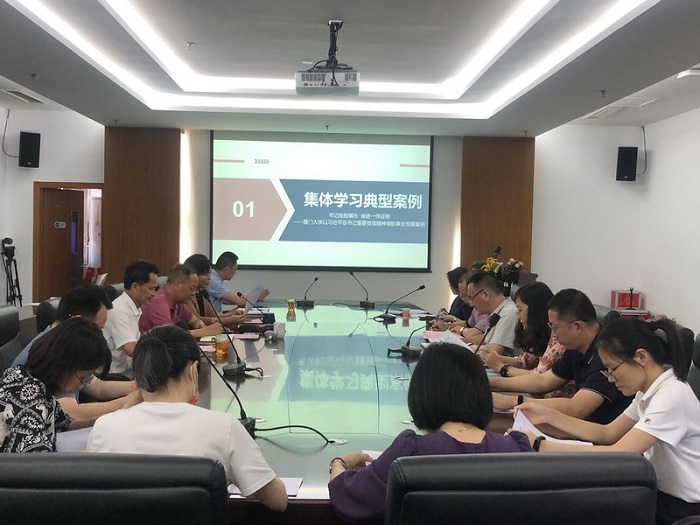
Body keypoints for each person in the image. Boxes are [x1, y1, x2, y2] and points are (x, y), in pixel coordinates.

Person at [516, 317, 700, 525]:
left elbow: (621, 452)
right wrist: (548, 415)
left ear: (641, 357)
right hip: (661, 493)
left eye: (612, 369)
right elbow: (607, 433)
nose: (610, 378)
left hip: (684, 509)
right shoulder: (649, 391)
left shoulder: (671, 396)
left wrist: (540, 445)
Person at [86, 325, 287, 512]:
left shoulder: (105, 428)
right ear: (193, 371)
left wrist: (123, 411)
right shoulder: (223, 428)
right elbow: (278, 501)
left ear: (138, 378)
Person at [327, 343, 533, 524]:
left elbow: (349, 498)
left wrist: (338, 463)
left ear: (423, 394)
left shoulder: (410, 453)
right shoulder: (518, 450)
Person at [491, 289, 632, 424]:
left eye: (555, 327)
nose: (553, 335)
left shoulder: (606, 354)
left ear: (577, 326)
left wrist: (512, 401)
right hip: (583, 425)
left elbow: (577, 408)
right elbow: (543, 381)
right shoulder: (576, 347)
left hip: (598, 429)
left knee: (504, 421)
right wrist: (491, 383)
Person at [11, 284, 138, 419]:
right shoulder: (43, 356)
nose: (99, 336)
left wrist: (138, 387)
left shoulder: (64, 346)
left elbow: (97, 387)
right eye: (97, 329)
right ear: (78, 322)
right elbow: (70, 413)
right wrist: (127, 402)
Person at [0, 317, 113, 453]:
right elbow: (36, 463)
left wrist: (100, 422)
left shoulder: (30, 380)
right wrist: (87, 452)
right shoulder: (29, 401)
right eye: (82, 378)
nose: (80, 386)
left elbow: (62, 424)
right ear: (65, 365)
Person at [479, 282, 575, 398]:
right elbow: (525, 361)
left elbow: (539, 378)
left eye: (520, 310)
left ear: (535, 310)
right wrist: (490, 357)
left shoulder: (559, 340)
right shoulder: (542, 334)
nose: (517, 315)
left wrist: (501, 367)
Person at [103, 259, 159, 378]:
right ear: (135, 287)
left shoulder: (134, 307)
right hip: (115, 378)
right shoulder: (119, 310)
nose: (154, 294)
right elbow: (131, 349)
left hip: (130, 373)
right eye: (151, 289)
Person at [139, 264, 222, 339]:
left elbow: (195, 321)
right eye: (191, 288)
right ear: (177, 284)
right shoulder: (159, 301)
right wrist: (205, 331)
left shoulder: (178, 302)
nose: (193, 293)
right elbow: (169, 335)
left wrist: (201, 326)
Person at [457, 271, 518, 354]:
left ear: (485, 294)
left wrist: (466, 348)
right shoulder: (496, 311)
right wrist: (461, 342)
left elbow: (494, 350)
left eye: (472, 298)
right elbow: (487, 339)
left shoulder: (508, 313)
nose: (471, 304)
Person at [183, 253, 246, 329]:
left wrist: (231, 314)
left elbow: (212, 315)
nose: (209, 278)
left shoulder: (202, 292)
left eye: (209, 273)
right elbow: (198, 319)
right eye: (205, 274)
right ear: (194, 274)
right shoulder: (186, 296)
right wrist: (228, 320)